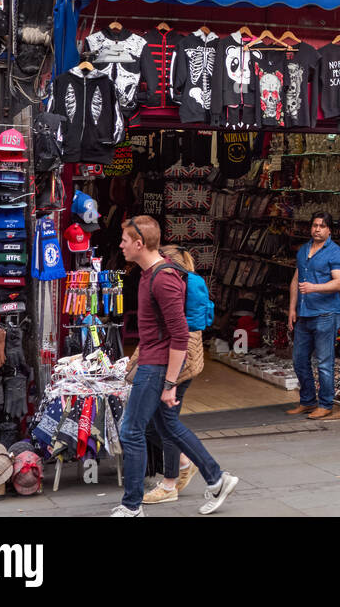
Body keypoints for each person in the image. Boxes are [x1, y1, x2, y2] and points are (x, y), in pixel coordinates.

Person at [112, 216, 237, 517]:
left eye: (125, 241)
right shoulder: (148, 272)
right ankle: (217, 479)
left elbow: (180, 334)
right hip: (154, 363)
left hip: (157, 367)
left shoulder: (163, 278)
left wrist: (169, 384)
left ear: (139, 244)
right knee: (167, 425)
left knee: (131, 430)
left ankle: (131, 507)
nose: (121, 245)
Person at [142, 245, 205, 504]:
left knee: (167, 424)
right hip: (182, 356)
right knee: (157, 424)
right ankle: (187, 464)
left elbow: (176, 332)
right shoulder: (185, 282)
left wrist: (169, 379)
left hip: (178, 359)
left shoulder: (174, 284)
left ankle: (173, 481)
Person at [287, 213, 340, 419]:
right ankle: (307, 401)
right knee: (299, 359)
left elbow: (339, 283)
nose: (317, 229)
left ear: (329, 230)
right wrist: (292, 309)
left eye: (322, 226)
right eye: (314, 225)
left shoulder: (336, 253)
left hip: (326, 313)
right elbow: (296, 280)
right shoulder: (304, 250)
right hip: (304, 314)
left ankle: (325, 403)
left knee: (324, 362)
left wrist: (314, 287)